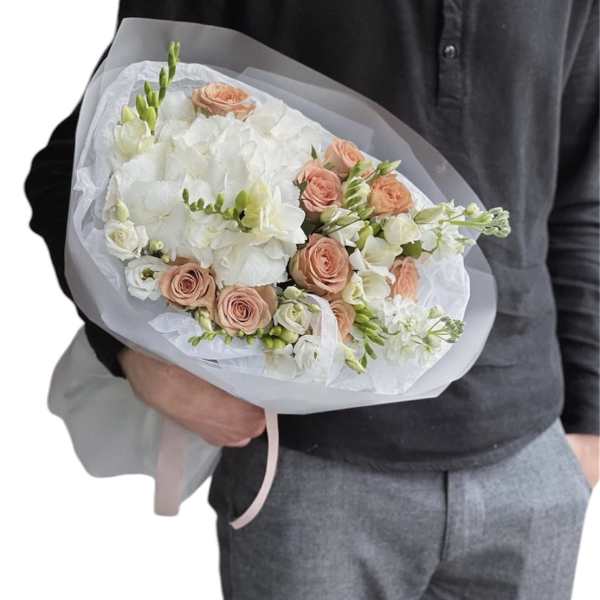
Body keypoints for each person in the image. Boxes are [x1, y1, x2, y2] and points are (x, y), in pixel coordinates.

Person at [25, 2, 598, 599]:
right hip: (307, 473)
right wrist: (132, 356)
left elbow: (586, 196)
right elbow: (73, 162)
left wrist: (590, 426)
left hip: (529, 467)